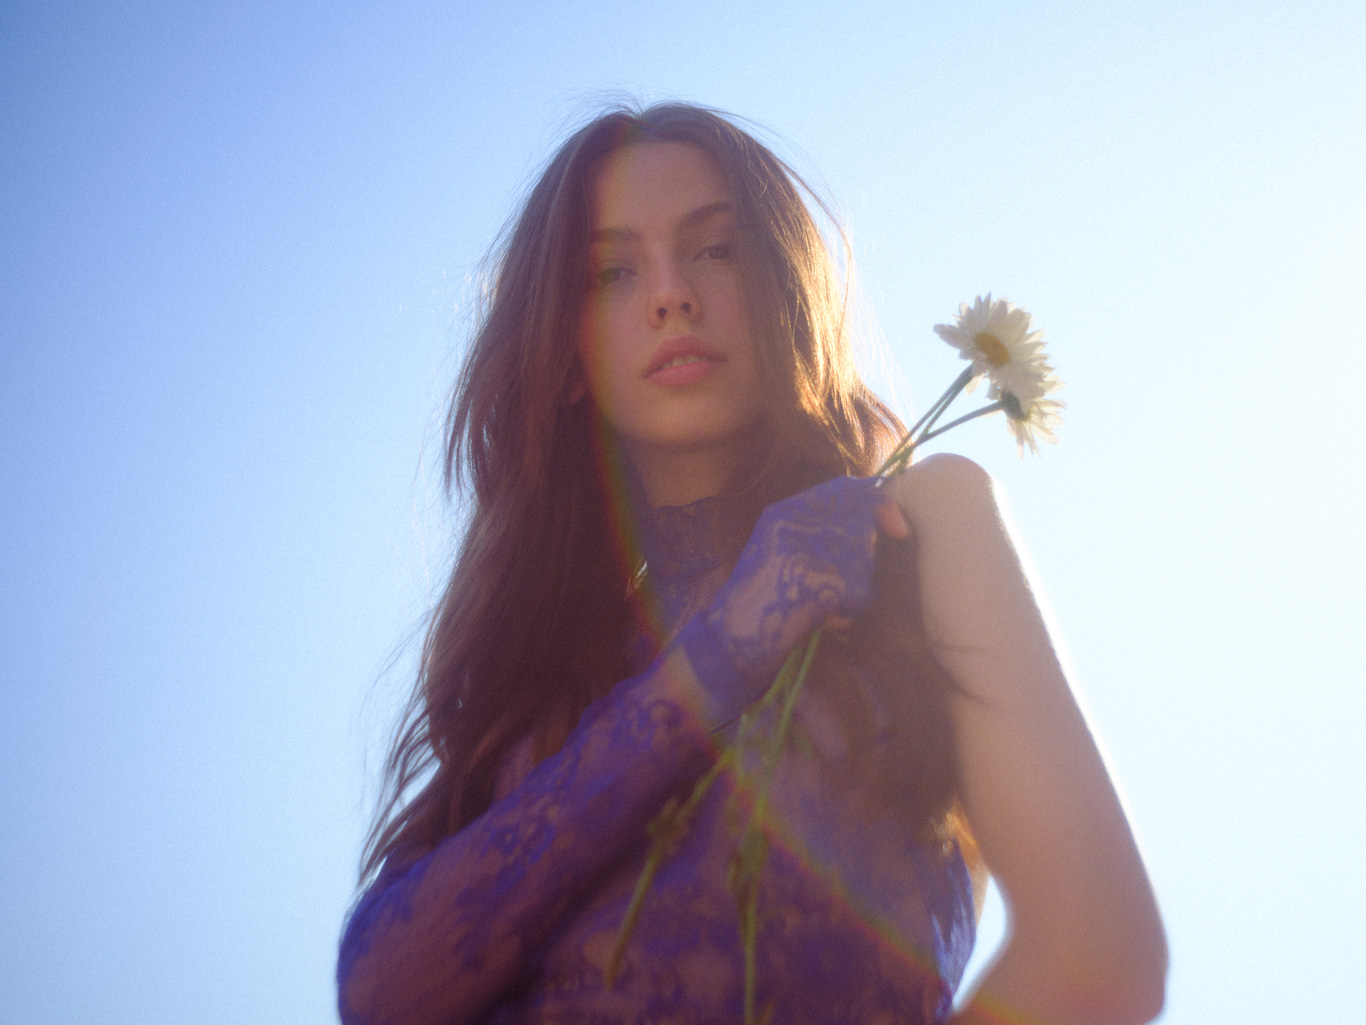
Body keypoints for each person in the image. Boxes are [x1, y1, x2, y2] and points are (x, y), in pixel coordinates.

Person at [337, 103, 1167, 1025]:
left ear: (784, 286)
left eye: (717, 249)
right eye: (612, 270)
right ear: (565, 353)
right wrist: (734, 641)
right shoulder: (535, 665)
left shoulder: (921, 529)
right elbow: (380, 993)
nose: (670, 294)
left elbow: (1098, 962)